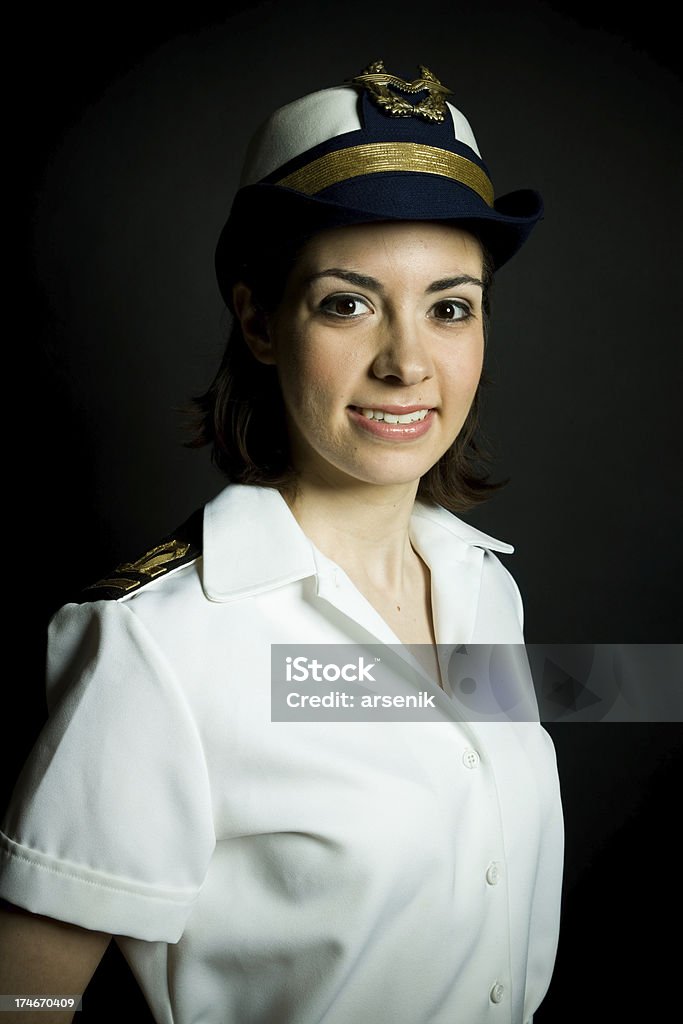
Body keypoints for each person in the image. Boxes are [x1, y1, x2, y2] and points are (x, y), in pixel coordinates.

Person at [0, 60, 564, 1023]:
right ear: (260, 320)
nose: (406, 362)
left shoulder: (479, 584)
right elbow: (27, 999)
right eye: (346, 302)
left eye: (449, 306)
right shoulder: (159, 647)